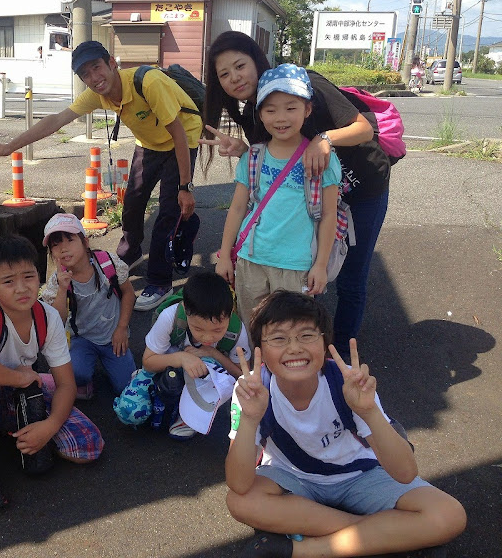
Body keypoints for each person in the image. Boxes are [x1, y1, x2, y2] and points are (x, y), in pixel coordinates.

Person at [226, 290, 466, 557]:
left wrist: (369, 410)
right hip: (293, 477)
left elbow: (405, 473)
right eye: (279, 338)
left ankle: (304, 550)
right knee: (240, 501)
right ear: (259, 349)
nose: (294, 348)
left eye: (306, 335)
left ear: (325, 342)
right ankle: (380, 534)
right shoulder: (252, 390)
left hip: (359, 475)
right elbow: (238, 483)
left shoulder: (348, 383)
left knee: (449, 514)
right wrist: (250, 419)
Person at [0, 40, 203, 312]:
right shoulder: (97, 94)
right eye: (85, 74)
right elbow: (56, 120)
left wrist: (185, 187)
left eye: (96, 67)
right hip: (151, 142)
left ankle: (160, 281)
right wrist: (8, 147)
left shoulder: (149, 83)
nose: (94, 78)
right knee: (133, 201)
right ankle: (130, 253)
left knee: (168, 211)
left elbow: (177, 132)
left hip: (182, 138)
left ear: (112, 63)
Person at [200, 31, 388, 357]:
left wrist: (324, 139)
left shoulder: (305, 83)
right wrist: (245, 151)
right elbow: (272, 165)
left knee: (350, 276)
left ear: (256, 60)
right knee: (307, 280)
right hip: (309, 198)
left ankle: (338, 357)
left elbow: (363, 129)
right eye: (224, 74)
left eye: (239, 66)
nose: (234, 78)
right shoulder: (256, 111)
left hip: (362, 185)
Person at [0, 234, 104, 512]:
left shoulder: (47, 316)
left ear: (39, 276)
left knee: (88, 448)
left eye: (29, 277)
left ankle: (25, 431)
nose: (21, 288)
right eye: (8, 281)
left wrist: (49, 427)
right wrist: (21, 377)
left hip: (21, 395)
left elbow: (66, 384)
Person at [215, 63, 341, 327]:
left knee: (290, 332)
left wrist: (320, 265)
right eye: (271, 110)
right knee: (252, 328)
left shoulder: (322, 159)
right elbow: (237, 208)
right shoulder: (252, 157)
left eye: (291, 108)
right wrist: (225, 255)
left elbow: (329, 215)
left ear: (307, 110)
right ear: (260, 114)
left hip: (297, 265)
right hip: (251, 261)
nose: (280, 118)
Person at [141, 271, 248, 439]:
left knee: (208, 362)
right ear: (186, 309)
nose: (207, 337)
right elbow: (148, 362)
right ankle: (164, 393)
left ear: (230, 313)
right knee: (131, 412)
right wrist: (182, 358)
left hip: (201, 374)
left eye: (217, 330)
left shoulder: (237, 331)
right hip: (167, 366)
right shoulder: (170, 316)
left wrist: (213, 353)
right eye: (198, 328)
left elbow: (243, 375)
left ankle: (189, 416)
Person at [40, 212, 137, 398]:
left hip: (112, 335)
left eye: (70, 240)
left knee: (125, 387)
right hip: (81, 338)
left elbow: (128, 294)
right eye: (56, 244)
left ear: (85, 242)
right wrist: (62, 289)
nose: (63, 248)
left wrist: (122, 328)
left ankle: (96, 370)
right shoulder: (57, 281)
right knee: (76, 373)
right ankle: (84, 378)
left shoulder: (108, 264)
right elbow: (58, 320)